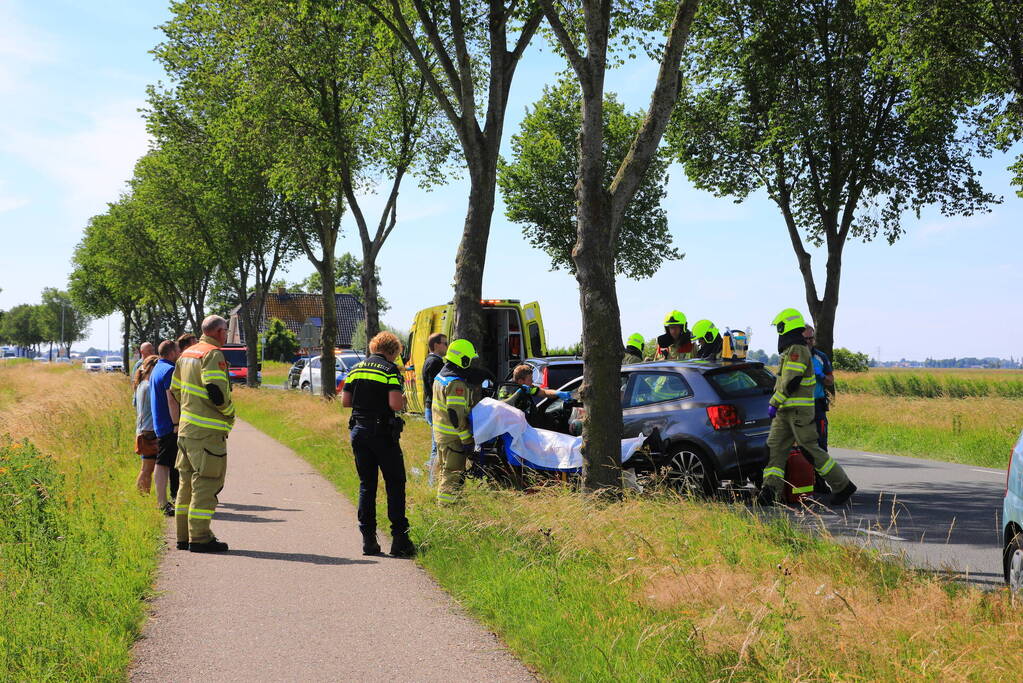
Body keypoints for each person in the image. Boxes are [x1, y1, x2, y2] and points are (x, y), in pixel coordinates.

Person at [758, 309, 856, 507]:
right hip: (785, 412)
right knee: (775, 449)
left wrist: (773, 403)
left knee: (810, 450)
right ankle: (770, 491)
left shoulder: (797, 350)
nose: (779, 332)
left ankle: (842, 485)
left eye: (780, 328)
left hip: (797, 412)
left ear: (786, 327)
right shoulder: (791, 350)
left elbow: (791, 381)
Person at [341, 331, 415, 557]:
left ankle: (369, 540)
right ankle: (399, 539)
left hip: (359, 431)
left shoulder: (356, 369)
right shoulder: (390, 370)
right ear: (393, 351)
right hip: (382, 432)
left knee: (367, 485)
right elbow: (394, 404)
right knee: (395, 483)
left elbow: (346, 401)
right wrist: (402, 400)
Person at [170, 315, 235, 553]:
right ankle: (199, 537)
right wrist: (229, 413)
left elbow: (175, 389)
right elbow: (216, 392)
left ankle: (183, 536)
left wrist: (190, 409)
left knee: (186, 484)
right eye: (226, 331)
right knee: (206, 483)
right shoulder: (213, 354)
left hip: (186, 432)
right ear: (218, 332)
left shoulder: (186, 354)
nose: (226, 335)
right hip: (207, 433)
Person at [432, 339, 482, 504]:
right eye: (470, 359)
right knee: (452, 473)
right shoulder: (456, 383)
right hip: (453, 438)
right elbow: (455, 414)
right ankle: (446, 508)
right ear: (463, 359)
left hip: (441, 435)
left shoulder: (441, 376)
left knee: (444, 471)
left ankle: (450, 503)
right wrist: (467, 439)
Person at [150, 340, 181, 518]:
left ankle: (166, 499)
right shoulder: (170, 370)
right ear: (171, 353)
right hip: (169, 425)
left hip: (160, 422)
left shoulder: (157, 368)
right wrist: (176, 423)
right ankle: (162, 502)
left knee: (166, 463)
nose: (179, 354)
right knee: (163, 464)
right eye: (178, 351)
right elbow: (171, 399)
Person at [421, 333, 448, 486]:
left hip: (430, 407)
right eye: (445, 343)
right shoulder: (435, 363)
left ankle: (433, 481)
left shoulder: (430, 360)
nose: (447, 346)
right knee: (437, 446)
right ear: (436, 345)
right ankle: (432, 483)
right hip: (434, 408)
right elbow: (436, 389)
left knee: (436, 445)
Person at [803, 325, 833, 451]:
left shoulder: (821, 357)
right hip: (800, 408)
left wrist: (820, 375)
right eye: (806, 339)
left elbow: (830, 381)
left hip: (817, 406)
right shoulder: (792, 358)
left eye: (811, 338)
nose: (809, 341)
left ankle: (820, 471)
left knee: (821, 445)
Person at [133, 355, 160, 495]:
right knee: (147, 469)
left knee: (146, 468)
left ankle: (143, 496)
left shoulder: (141, 384)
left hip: (143, 429)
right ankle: (142, 496)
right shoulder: (149, 386)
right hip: (148, 431)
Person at [500, 364, 571, 413]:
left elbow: (544, 392)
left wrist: (558, 393)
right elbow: (503, 405)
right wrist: (518, 393)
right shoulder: (506, 389)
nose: (532, 381)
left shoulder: (527, 388)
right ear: (520, 381)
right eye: (530, 380)